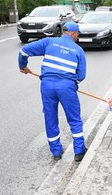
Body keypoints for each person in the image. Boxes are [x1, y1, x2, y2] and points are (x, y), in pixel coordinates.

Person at [18, 21, 87, 162]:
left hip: (47, 85)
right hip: (66, 87)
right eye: (77, 35)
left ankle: (56, 152)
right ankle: (79, 152)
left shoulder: (49, 42)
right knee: (74, 118)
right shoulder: (78, 50)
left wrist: (23, 66)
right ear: (73, 33)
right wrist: (72, 84)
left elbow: (24, 51)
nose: (77, 38)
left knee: (50, 118)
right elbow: (81, 76)